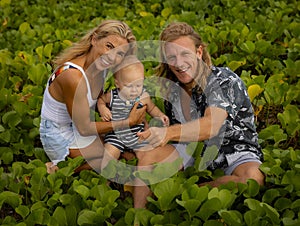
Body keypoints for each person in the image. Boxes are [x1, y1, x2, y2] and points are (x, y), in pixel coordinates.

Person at [135, 22, 265, 208]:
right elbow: (178, 133)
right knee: (148, 156)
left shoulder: (223, 80)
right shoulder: (172, 91)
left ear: (199, 52)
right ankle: (138, 217)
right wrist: (144, 130)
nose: (179, 63)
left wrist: (168, 133)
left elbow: (211, 125)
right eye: (172, 57)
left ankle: (187, 193)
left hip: (234, 150)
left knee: (253, 179)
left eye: (185, 54)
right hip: (194, 153)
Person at [39, 20, 147, 174]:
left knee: (126, 154)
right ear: (94, 39)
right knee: (108, 160)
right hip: (58, 132)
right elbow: (84, 128)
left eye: (120, 53)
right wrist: (128, 122)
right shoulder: (73, 76)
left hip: (78, 124)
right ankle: (55, 169)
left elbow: (98, 102)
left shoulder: (101, 68)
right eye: (109, 46)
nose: (112, 57)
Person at [97, 55, 169, 175]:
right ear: (117, 83)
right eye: (129, 86)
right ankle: (106, 180)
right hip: (116, 135)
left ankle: (143, 176)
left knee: (146, 154)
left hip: (137, 135)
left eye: (138, 85)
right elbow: (101, 100)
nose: (134, 90)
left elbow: (152, 108)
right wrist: (103, 109)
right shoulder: (112, 96)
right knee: (109, 155)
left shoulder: (143, 96)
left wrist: (160, 115)